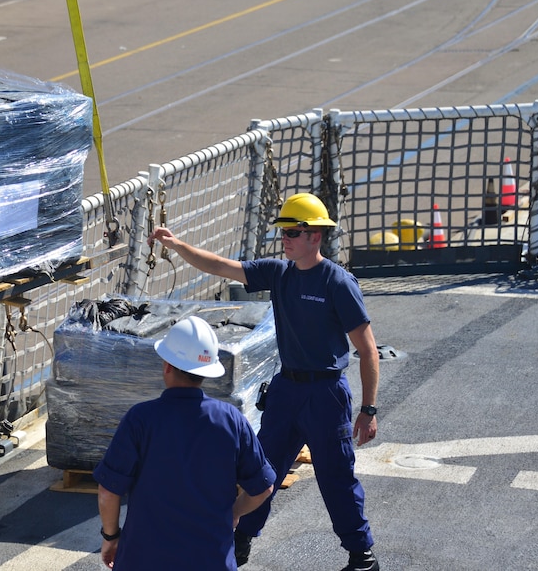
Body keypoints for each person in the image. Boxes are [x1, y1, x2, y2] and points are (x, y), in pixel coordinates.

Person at [148, 193, 381, 571]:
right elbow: (220, 266)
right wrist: (177, 246)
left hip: (325, 394)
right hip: (286, 390)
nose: (285, 239)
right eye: (284, 232)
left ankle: (361, 555)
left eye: (292, 232)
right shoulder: (279, 272)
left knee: (335, 477)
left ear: (315, 236)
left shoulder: (338, 283)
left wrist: (369, 410)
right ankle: (239, 541)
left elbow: (368, 351)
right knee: (260, 470)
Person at [93, 315, 276, 570]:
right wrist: (233, 513)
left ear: (167, 365)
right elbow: (263, 488)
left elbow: (108, 491)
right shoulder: (230, 420)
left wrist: (111, 537)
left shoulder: (140, 420)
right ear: (206, 372)